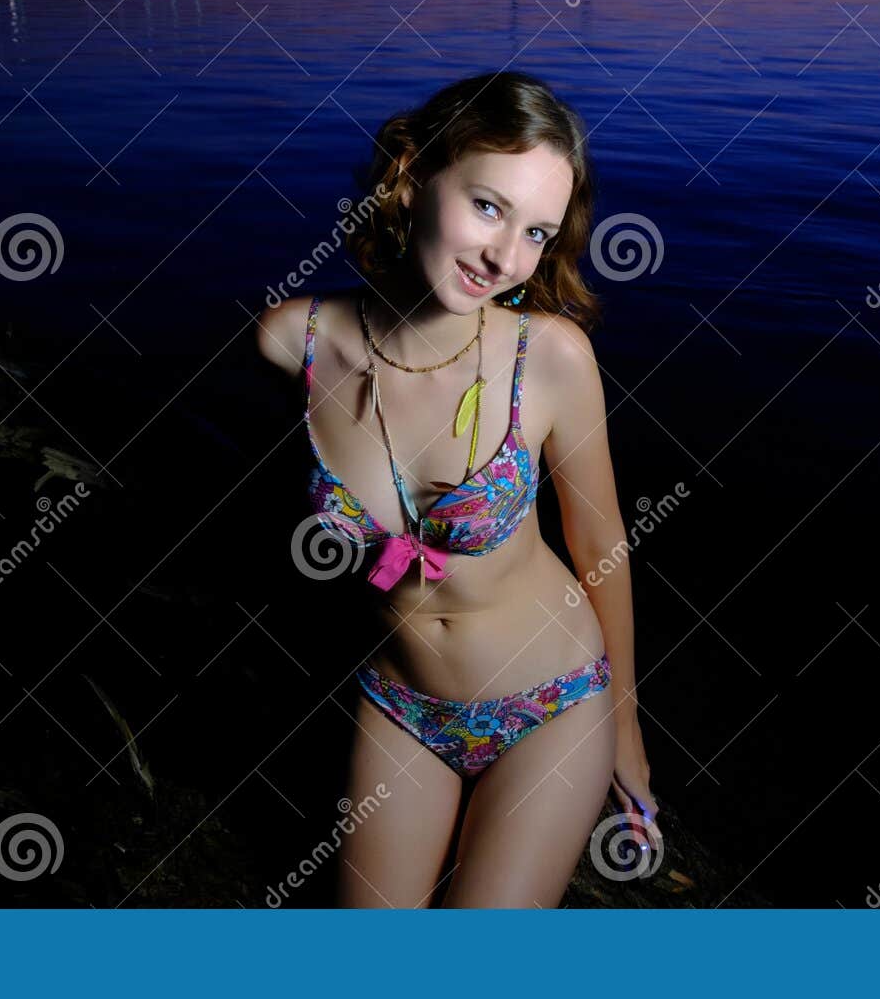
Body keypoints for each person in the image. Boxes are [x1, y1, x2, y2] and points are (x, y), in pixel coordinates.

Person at [257, 70, 659, 907]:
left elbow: (602, 549)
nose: (505, 257)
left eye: (538, 232)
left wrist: (627, 732)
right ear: (412, 172)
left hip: (552, 703)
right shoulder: (290, 342)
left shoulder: (548, 358)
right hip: (400, 703)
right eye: (488, 206)